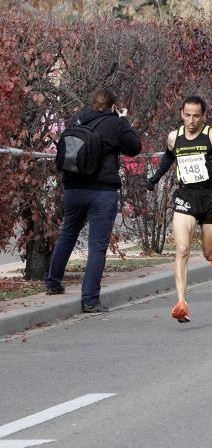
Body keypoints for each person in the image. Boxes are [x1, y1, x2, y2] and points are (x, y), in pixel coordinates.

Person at [147, 96, 212, 323]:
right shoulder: (174, 137)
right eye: (187, 115)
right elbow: (170, 156)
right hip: (186, 196)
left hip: (211, 197)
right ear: (181, 113)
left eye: (196, 116)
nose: (191, 120)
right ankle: (181, 303)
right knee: (182, 250)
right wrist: (155, 177)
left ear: (204, 116)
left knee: (208, 253)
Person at [45, 90, 142, 312]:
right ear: (113, 106)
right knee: (97, 246)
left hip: (73, 188)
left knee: (67, 234)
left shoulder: (76, 119)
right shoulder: (115, 123)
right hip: (102, 191)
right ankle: (89, 299)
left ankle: (53, 282)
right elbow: (134, 148)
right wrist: (124, 119)